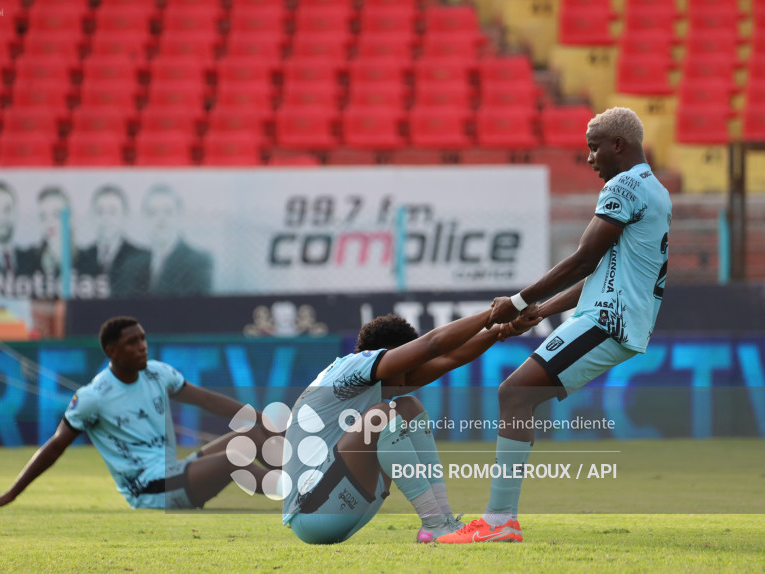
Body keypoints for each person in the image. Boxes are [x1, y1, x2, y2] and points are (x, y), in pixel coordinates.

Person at [437, 107, 671, 544]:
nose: (589, 158)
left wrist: (519, 301)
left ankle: (499, 520)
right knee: (517, 396)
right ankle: (499, 518)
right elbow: (604, 272)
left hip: (608, 320)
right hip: (612, 316)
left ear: (618, 145)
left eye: (594, 147)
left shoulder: (622, 186)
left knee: (514, 394)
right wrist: (541, 313)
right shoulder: (653, 188)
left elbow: (584, 257)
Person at [282, 308, 542, 544]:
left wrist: (501, 331)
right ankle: (434, 523)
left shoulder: (363, 377)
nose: (411, 375)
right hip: (311, 513)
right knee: (381, 415)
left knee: (408, 407)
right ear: (389, 355)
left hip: (338, 506)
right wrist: (492, 314)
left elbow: (450, 359)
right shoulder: (355, 365)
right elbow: (433, 345)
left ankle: (443, 522)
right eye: (407, 364)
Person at [0, 316, 277, 511]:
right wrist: (12, 494)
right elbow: (56, 445)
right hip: (148, 490)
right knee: (234, 457)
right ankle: (293, 492)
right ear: (112, 352)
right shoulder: (92, 398)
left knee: (251, 432)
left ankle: (304, 473)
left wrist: (264, 419)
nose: (142, 347)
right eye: (132, 342)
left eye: (143, 338)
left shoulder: (157, 373)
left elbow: (208, 400)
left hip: (174, 471)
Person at [75, 185, 149, 297]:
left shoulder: (141, 259)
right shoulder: (79, 258)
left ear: (125, 216)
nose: (106, 219)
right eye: (100, 212)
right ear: (92, 216)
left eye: (112, 212)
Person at [141, 184, 212, 296]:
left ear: (180, 216)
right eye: (153, 213)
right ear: (144, 219)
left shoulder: (198, 262)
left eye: (168, 212)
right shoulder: (136, 263)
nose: (160, 219)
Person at [30, 186, 82, 282]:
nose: (49, 223)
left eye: (56, 215)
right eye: (43, 216)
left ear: (70, 218)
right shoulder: (30, 262)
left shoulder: (88, 261)